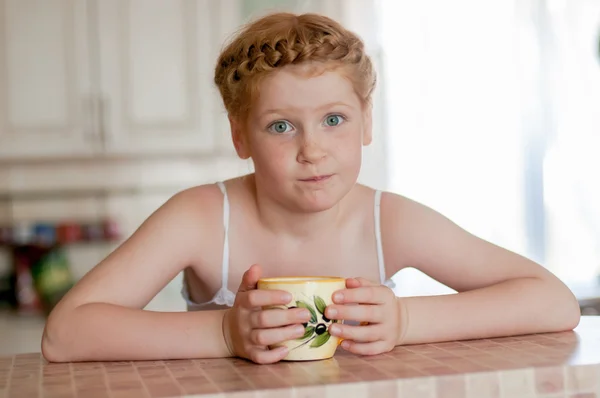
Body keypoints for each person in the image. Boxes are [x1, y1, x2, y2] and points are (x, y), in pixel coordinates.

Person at [41, 12, 580, 365]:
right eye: (281, 126)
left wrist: (408, 319)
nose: (312, 149)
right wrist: (227, 335)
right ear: (239, 136)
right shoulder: (202, 218)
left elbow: (554, 302)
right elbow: (66, 334)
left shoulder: (388, 221)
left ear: (367, 121)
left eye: (335, 120)